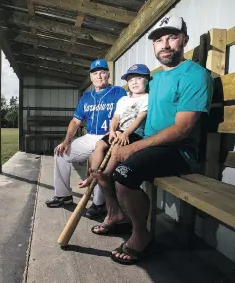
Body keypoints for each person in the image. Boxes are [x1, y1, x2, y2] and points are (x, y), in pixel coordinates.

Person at [89, 16, 213, 265]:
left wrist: (134, 146)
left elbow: (181, 130)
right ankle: (115, 214)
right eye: (158, 40)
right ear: (154, 47)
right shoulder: (154, 79)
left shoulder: (195, 76)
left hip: (178, 150)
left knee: (123, 174)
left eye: (172, 37)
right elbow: (133, 102)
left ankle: (140, 234)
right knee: (101, 163)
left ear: (184, 40)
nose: (165, 44)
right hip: (149, 142)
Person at [45, 59, 127, 219]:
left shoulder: (118, 92)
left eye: (102, 72)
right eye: (95, 73)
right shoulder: (86, 97)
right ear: (91, 77)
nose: (99, 76)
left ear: (108, 74)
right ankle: (63, 195)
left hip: (108, 137)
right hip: (90, 136)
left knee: (99, 164)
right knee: (61, 153)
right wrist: (66, 140)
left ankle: (98, 204)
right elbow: (76, 121)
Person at [78, 64, 151, 194]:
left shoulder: (146, 98)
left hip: (134, 133)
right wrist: (112, 131)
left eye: (138, 79)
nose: (134, 82)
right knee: (99, 144)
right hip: (119, 131)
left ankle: (106, 173)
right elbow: (116, 118)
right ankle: (93, 176)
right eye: (130, 80)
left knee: (116, 148)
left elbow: (139, 119)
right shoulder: (123, 99)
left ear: (146, 80)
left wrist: (126, 133)